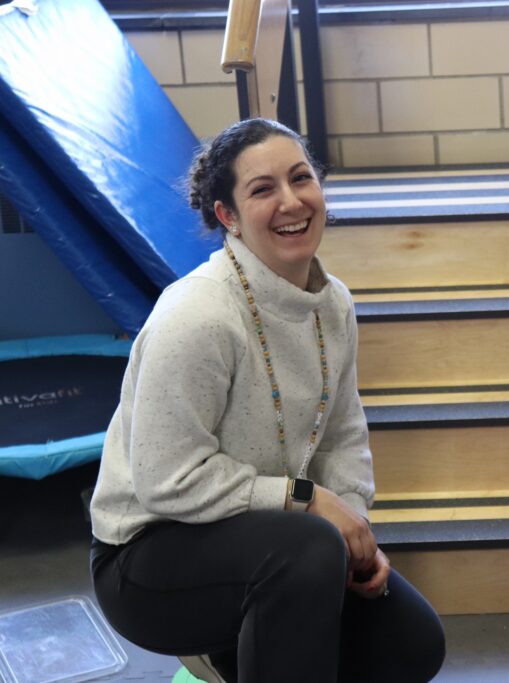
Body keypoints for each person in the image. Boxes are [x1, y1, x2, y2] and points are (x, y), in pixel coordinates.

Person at [88, 118, 445, 683]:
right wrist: (307, 500)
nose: (291, 202)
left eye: (301, 178)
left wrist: (354, 530)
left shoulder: (332, 304)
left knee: (413, 645)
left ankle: (243, 650)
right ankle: (224, 643)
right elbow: (168, 480)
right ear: (227, 216)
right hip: (147, 554)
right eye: (262, 189)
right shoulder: (198, 316)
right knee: (306, 551)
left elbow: (343, 433)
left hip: (273, 537)